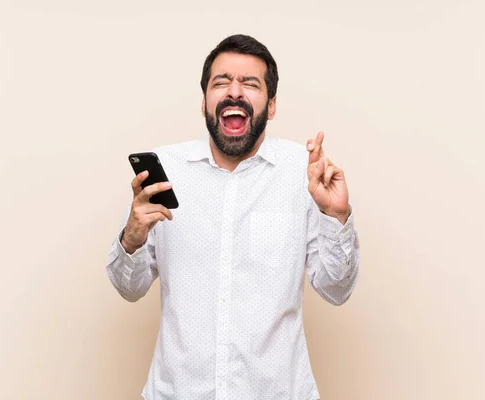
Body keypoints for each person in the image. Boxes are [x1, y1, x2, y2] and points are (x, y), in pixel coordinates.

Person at [106, 34, 360, 400]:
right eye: (221, 82)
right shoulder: (166, 170)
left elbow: (336, 290)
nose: (234, 92)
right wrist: (131, 238)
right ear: (205, 101)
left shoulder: (302, 173)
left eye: (250, 83)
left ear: (271, 106)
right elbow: (129, 289)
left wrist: (336, 216)